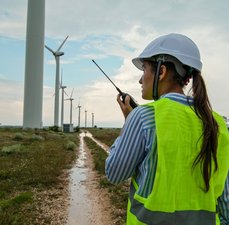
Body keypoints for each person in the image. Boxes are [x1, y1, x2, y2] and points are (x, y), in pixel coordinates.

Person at [105, 33, 229, 225]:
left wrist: (128, 123)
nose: (140, 80)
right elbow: (225, 203)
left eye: (144, 69)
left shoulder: (143, 116)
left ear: (161, 72)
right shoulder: (219, 124)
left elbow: (114, 173)